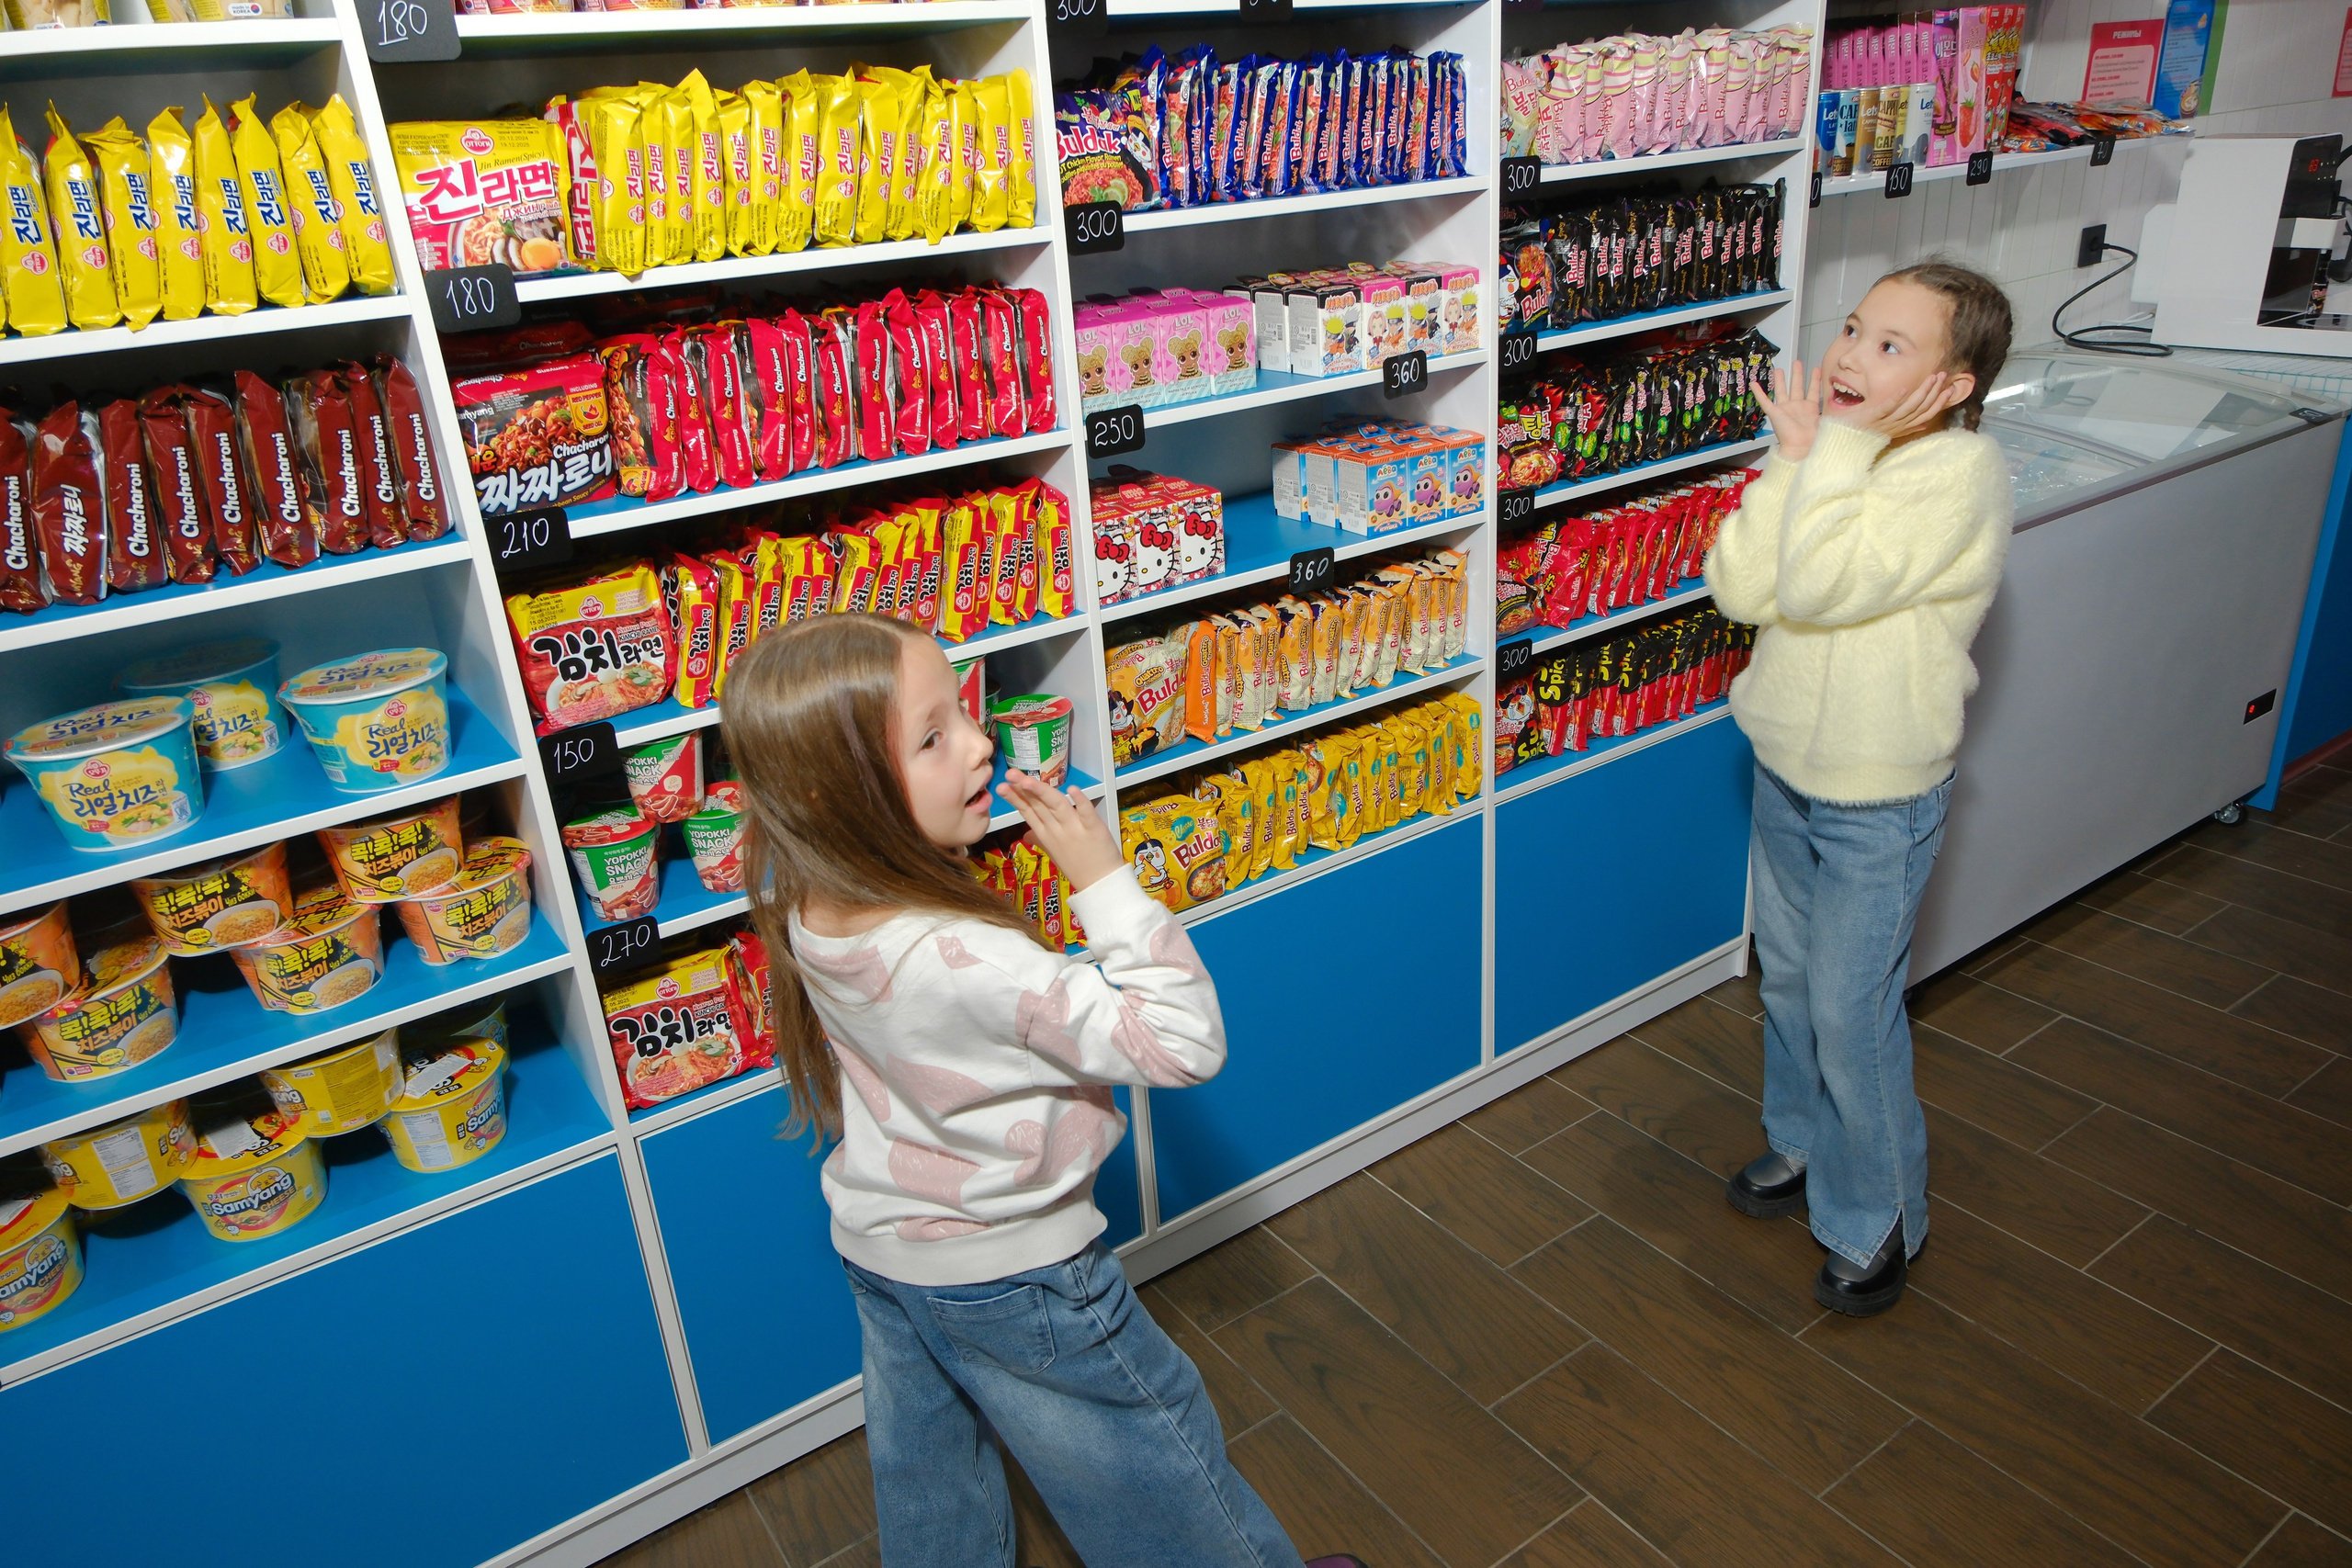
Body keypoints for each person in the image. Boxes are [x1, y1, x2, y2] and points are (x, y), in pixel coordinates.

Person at [721, 615, 1360, 1568]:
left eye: (965, 714)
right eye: (932, 736)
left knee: (935, 1472)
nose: (982, 743)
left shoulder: (799, 895)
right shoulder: (970, 956)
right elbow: (1183, 1045)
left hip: (886, 1250)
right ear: (837, 793)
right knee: (1154, 1458)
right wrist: (1104, 882)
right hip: (1015, 1271)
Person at [1702, 260, 2016, 1317]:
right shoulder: (1833, 456)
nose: (1846, 355)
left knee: (1851, 1009)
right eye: (1850, 328)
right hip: (1786, 766)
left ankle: (1874, 1215)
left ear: (1953, 385)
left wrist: (1818, 451)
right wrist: (1795, 463)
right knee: (1787, 980)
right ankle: (1798, 1143)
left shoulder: (1955, 480)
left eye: (1891, 346)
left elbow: (1825, 583)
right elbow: (1744, 586)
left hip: (1878, 795)